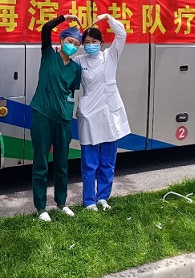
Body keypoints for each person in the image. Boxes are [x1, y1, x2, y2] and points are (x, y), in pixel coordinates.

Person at [74, 13, 130, 212]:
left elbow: (122, 34)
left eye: (94, 41)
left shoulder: (110, 56)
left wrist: (108, 18)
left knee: (107, 161)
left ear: (101, 43)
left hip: (109, 113)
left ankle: (103, 198)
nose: (91, 45)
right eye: (87, 42)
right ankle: (89, 200)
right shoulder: (79, 61)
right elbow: (63, 62)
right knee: (90, 163)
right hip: (89, 114)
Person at [30, 14, 82, 222]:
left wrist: (67, 109)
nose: (72, 46)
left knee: (62, 164)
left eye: (76, 44)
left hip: (63, 119)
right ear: (61, 40)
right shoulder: (48, 55)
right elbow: (45, 29)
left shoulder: (76, 68)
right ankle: (41, 207)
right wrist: (65, 17)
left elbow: (71, 90)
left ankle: (61, 203)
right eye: (69, 41)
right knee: (41, 163)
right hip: (42, 115)